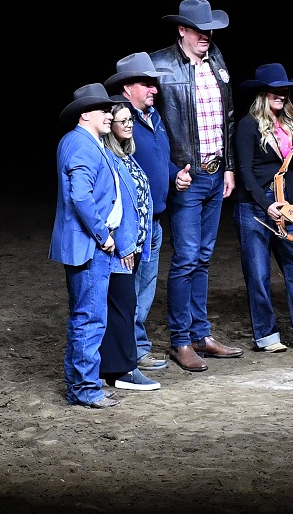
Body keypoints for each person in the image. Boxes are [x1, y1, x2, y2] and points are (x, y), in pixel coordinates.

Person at [149, 0, 244, 372]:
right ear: (182, 30)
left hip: (215, 172)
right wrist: (173, 171)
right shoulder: (161, 65)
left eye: (210, 30)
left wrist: (230, 168)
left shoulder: (217, 60)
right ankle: (181, 340)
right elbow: (150, 126)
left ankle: (201, 334)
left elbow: (229, 118)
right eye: (199, 29)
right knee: (186, 258)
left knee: (203, 258)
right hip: (187, 177)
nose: (206, 36)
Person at [233, 63, 293, 355]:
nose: (281, 94)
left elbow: (287, 167)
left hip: (286, 202)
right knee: (258, 273)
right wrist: (266, 205)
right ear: (263, 94)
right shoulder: (248, 124)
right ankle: (266, 334)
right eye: (275, 90)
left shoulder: (288, 124)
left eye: (284, 90)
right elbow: (245, 171)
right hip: (254, 204)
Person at [104, 52, 190, 372]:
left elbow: (158, 159)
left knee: (145, 287)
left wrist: (173, 174)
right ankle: (129, 351)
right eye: (146, 83)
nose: (154, 89)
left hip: (153, 219)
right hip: (131, 222)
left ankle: (136, 346)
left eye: (154, 84)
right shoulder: (120, 121)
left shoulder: (152, 117)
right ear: (128, 88)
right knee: (129, 289)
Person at [48, 83, 129, 409]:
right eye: (104, 110)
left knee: (86, 316)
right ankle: (85, 389)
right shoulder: (81, 145)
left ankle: (83, 385)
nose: (109, 115)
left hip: (86, 244)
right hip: (89, 246)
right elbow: (80, 196)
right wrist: (103, 235)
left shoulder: (83, 141)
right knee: (90, 318)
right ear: (85, 114)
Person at [98, 101, 161, 392]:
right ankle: (124, 369)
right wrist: (125, 246)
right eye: (121, 121)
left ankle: (113, 367)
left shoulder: (126, 156)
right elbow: (115, 208)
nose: (127, 125)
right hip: (120, 249)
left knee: (123, 304)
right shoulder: (109, 158)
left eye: (130, 121)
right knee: (123, 305)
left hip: (134, 246)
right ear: (109, 125)